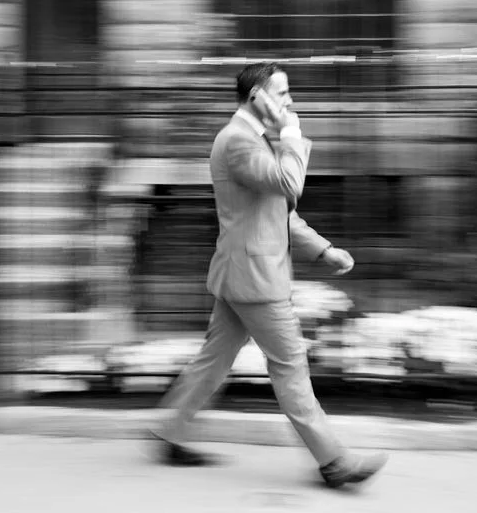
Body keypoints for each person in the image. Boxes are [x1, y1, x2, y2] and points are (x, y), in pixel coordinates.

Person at [148, 62, 388, 489]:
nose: (290, 101)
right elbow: (289, 184)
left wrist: (323, 249)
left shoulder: (251, 140)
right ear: (257, 97)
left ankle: (169, 431)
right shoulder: (239, 141)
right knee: (290, 365)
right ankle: (334, 462)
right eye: (282, 93)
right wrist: (291, 133)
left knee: (213, 361)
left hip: (241, 275)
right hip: (256, 280)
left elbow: (276, 211)